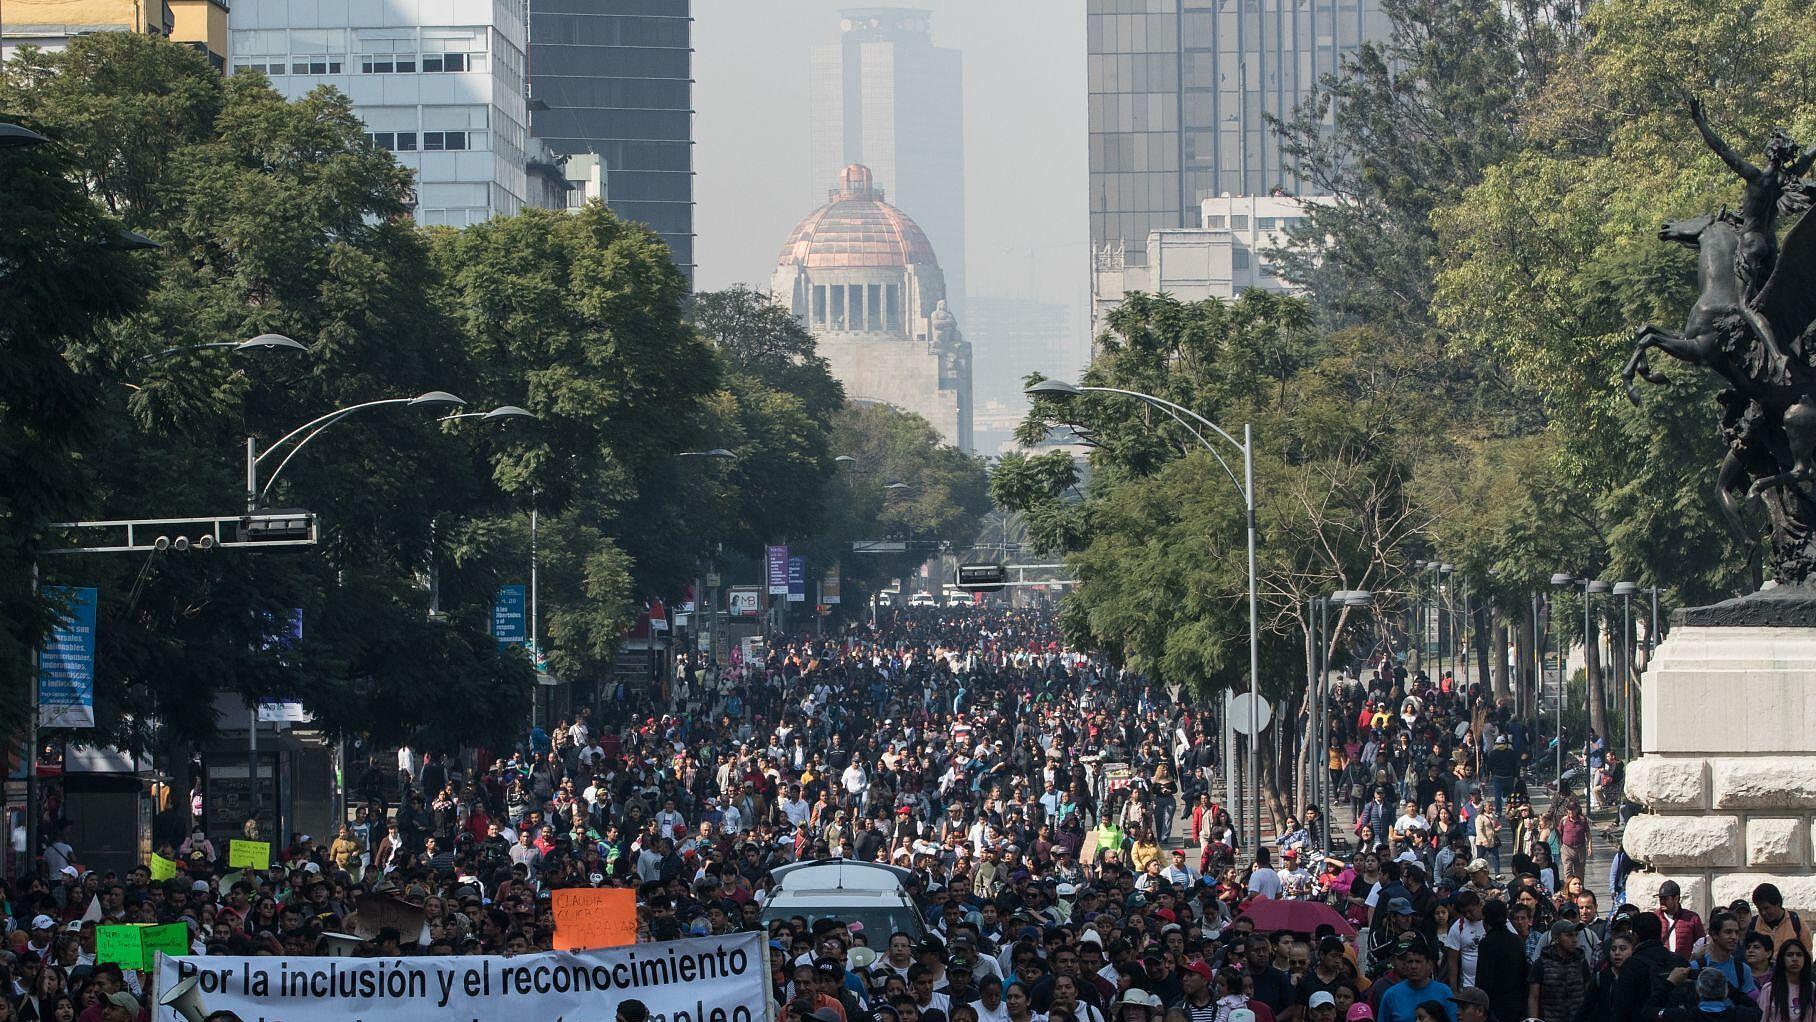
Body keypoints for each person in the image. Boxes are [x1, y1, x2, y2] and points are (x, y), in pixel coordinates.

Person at [1472, 899, 1527, 1022]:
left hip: (1494, 1007)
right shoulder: (1516, 940)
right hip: (1516, 1005)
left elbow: (1483, 979)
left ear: (1486, 920)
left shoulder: (1487, 943)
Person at [1377, 939, 1455, 1022]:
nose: (1413, 966)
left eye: (1418, 962)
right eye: (1410, 962)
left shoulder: (1444, 993)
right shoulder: (1391, 995)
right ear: (1405, 965)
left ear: (1430, 965)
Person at [1528, 920, 1591, 1022]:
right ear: (1556, 938)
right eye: (1569, 935)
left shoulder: (1581, 961)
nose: (1574, 940)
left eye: (1576, 935)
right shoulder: (1542, 963)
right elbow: (1533, 997)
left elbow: (1588, 992)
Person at [1651, 967, 1763, 1022]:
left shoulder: (1683, 1016)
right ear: (1726, 992)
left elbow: (1649, 1011)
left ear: (1698, 990)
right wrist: (1725, 983)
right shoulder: (1743, 1015)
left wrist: (1670, 983)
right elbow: (1759, 1011)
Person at [1758, 938, 1814, 1022]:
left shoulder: (1812, 988)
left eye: (1799, 955)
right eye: (1789, 955)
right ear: (1782, 959)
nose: (1795, 959)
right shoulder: (1769, 989)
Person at [1659, 881, 1708, 958]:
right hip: (1660, 966)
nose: (1662, 901)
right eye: (1660, 898)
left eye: (1665, 898)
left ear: (1676, 898)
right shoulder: (1655, 917)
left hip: (1684, 966)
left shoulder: (1692, 918)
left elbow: (1701, 944)